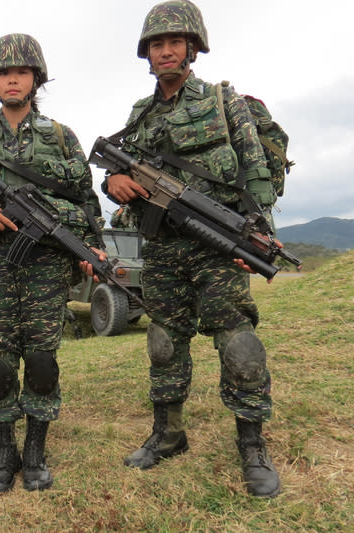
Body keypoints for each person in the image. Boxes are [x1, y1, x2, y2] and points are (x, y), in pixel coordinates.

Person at [103, 0, 281, 498]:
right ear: (147, 53)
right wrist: (113, 181)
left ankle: (252, 444)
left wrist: (259, 232)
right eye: (157, 44)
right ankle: (168, 435)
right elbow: (118, 170)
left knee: (238, 343)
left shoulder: (224, 102)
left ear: (193, 48)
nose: (165, 51)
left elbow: (256, 170)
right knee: (163, 342)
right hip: (161, 247)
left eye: (174, 42)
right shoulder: (140, 115)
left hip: (216, 245)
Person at [0, 34, 104, 493]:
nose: (12, 79)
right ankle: (5, 450)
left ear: (36, 80)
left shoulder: (62, 137)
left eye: (22, 72)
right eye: (4, 73)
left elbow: (87, 203)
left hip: (47, 264)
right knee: (0, 359)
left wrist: (94, 248)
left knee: (43, 357)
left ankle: (35, 451)